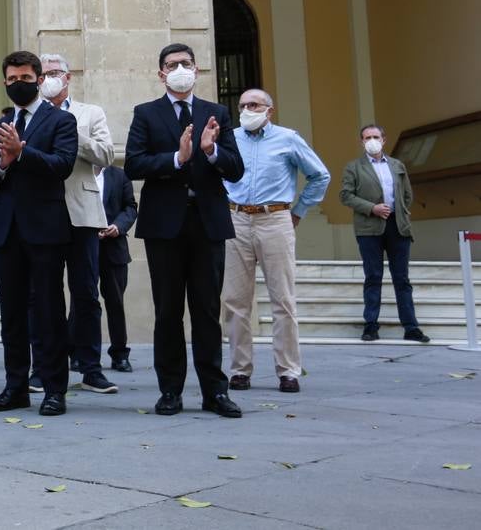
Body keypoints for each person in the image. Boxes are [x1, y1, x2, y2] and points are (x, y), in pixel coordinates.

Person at [125, 43, 245, 419]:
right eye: (172, 64)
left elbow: (236, 167)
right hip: (165, 226)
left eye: (186, 64)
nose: (180, 69)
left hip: (207, 223)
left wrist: (210, 152)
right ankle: (170, 391)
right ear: (161, 73)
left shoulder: (217, 113)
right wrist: (178, 158)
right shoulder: (146, 113)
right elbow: (133, 163)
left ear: (197, 69)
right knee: (168, 311)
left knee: (208, 311)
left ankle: (215, 391)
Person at [0, 51, 78, 416]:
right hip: (6, 232)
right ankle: (15, 386)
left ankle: (53, 389)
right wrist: (2, 162)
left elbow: (62, 166)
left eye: (26, 78)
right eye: (12, 79)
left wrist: (22, 152)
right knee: (12, 314)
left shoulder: (60, 121)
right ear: (5, 82)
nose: (19, 84)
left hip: (46, 230)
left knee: (49, 311)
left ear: (39, 80)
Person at [221, 89, 330, 393]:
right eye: (242, 105)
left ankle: (288, 370)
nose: (246, 109)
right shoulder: (230, 138)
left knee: (282, 298)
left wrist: (298, 212)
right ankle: (240, 370)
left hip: (275, 218)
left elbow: (320, 175)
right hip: (236, 219)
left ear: (269, 110)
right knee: (235, 301)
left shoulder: (287, 138)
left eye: (253, 104)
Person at [39, 54, 118, 395]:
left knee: (86, 292)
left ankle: (90, 367)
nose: (50, 78)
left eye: (55, 72)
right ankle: (43, 367)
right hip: (42, 213)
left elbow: (107, 155)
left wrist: (71, 132)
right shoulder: (29, 115)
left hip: (83, 212)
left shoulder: (90, 112)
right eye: (43, 74)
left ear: (68, 77)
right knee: (43, 294)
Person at [340, 124, 429, 343]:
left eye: (375, 136)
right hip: (369, 228)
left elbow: (407, 194)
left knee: (402, 279)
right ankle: (371, 325)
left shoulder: (397, 165)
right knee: (373, 277)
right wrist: (372, 208)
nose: (371, 140)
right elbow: (346, 195)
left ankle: (411, 327)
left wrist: (402, 213)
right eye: (367, 137)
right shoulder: (354, 167)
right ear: (361, 141)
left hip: (397, 226)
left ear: (384, 139)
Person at [95, 165, 138, 372]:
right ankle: (77, 352)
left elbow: (130, 207)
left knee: (115, 302)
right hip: (85, 247)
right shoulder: (76, 175)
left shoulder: (120, 175)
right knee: (82, 301)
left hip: (114, 248)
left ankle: (120, 354)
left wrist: (118, 226)